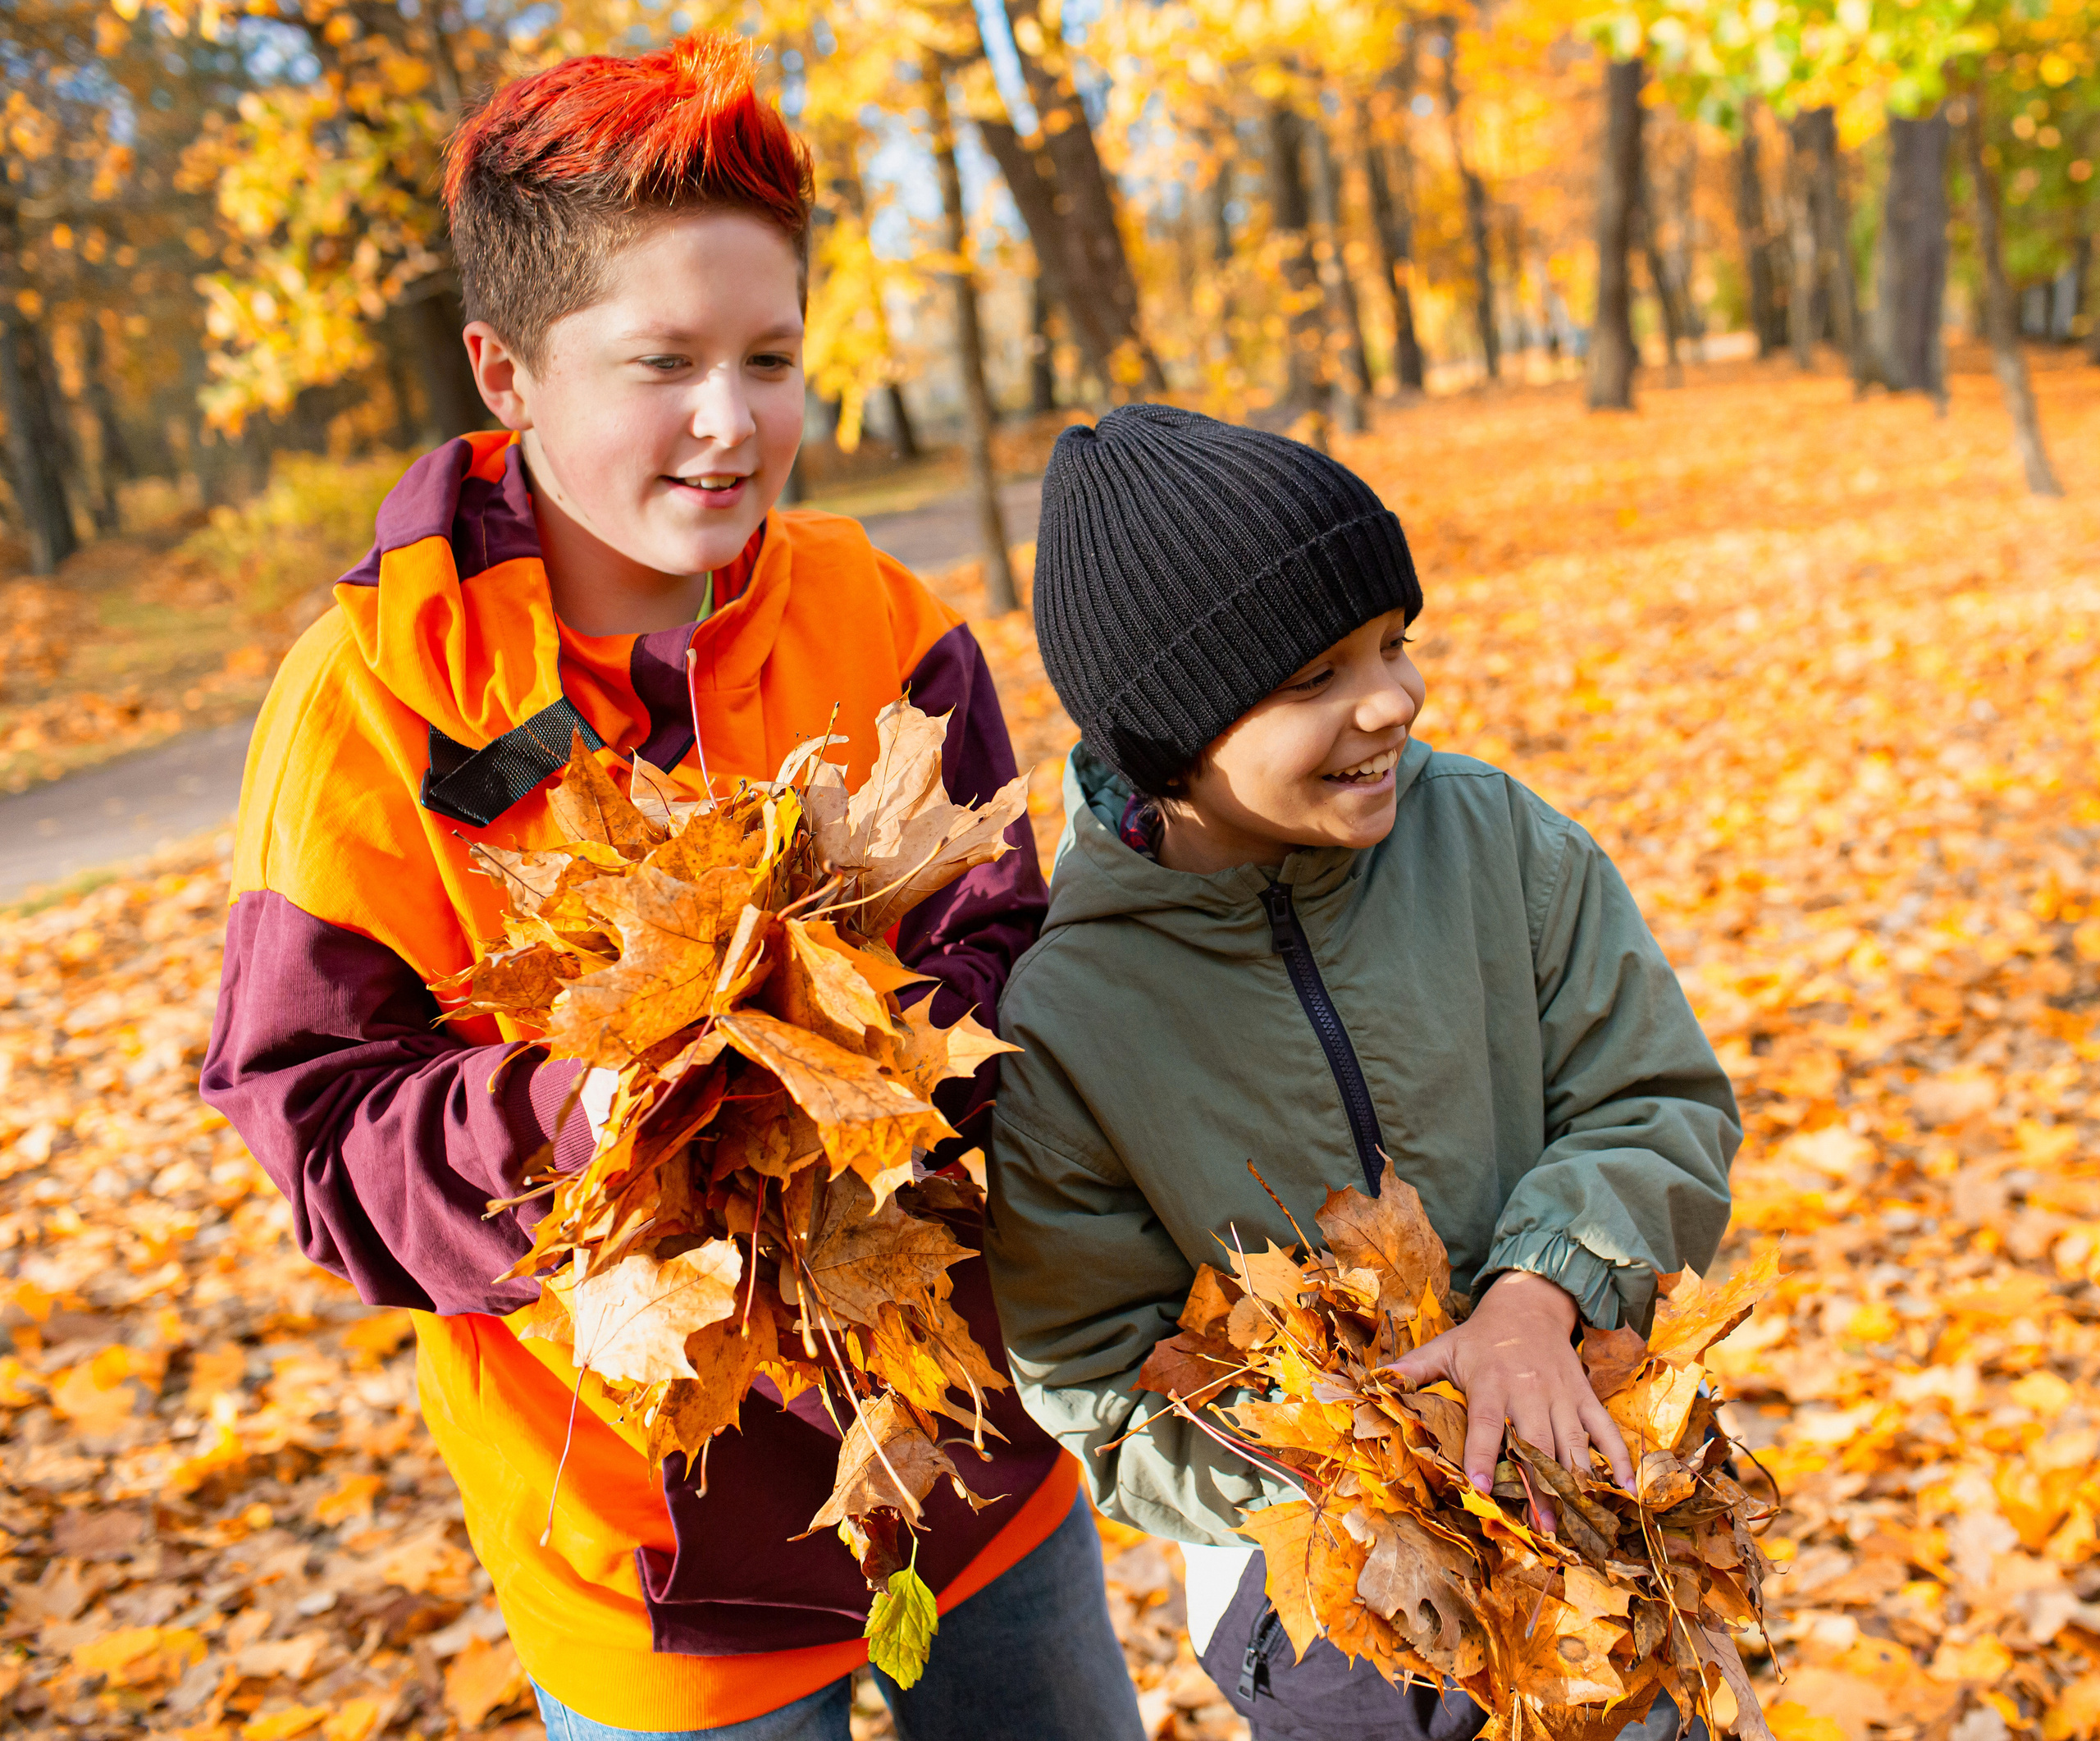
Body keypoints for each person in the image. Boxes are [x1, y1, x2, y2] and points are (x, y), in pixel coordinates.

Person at [200, 36, 1144, 1741]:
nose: (732, 419)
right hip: (654, 1559)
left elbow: (1011, 938)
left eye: (769, 355)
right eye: (663, 361)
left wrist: (859, 1049)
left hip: (973, 1465)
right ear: (506, 371)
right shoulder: (366, 707)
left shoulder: (880, 619)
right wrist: (592, 1114)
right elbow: (319, 1121)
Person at [984, 404, 1741, 1740]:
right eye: (1314, 676)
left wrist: (1537, 1296)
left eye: (1395, 643)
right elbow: (1096, 1374)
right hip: (1329, 1597)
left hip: (1597, 1472)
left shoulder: (1495, 841)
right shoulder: (1073, 1019)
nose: (1392, 698)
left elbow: (1657, 1099)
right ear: (1171, 738)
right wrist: (1360, 1468)